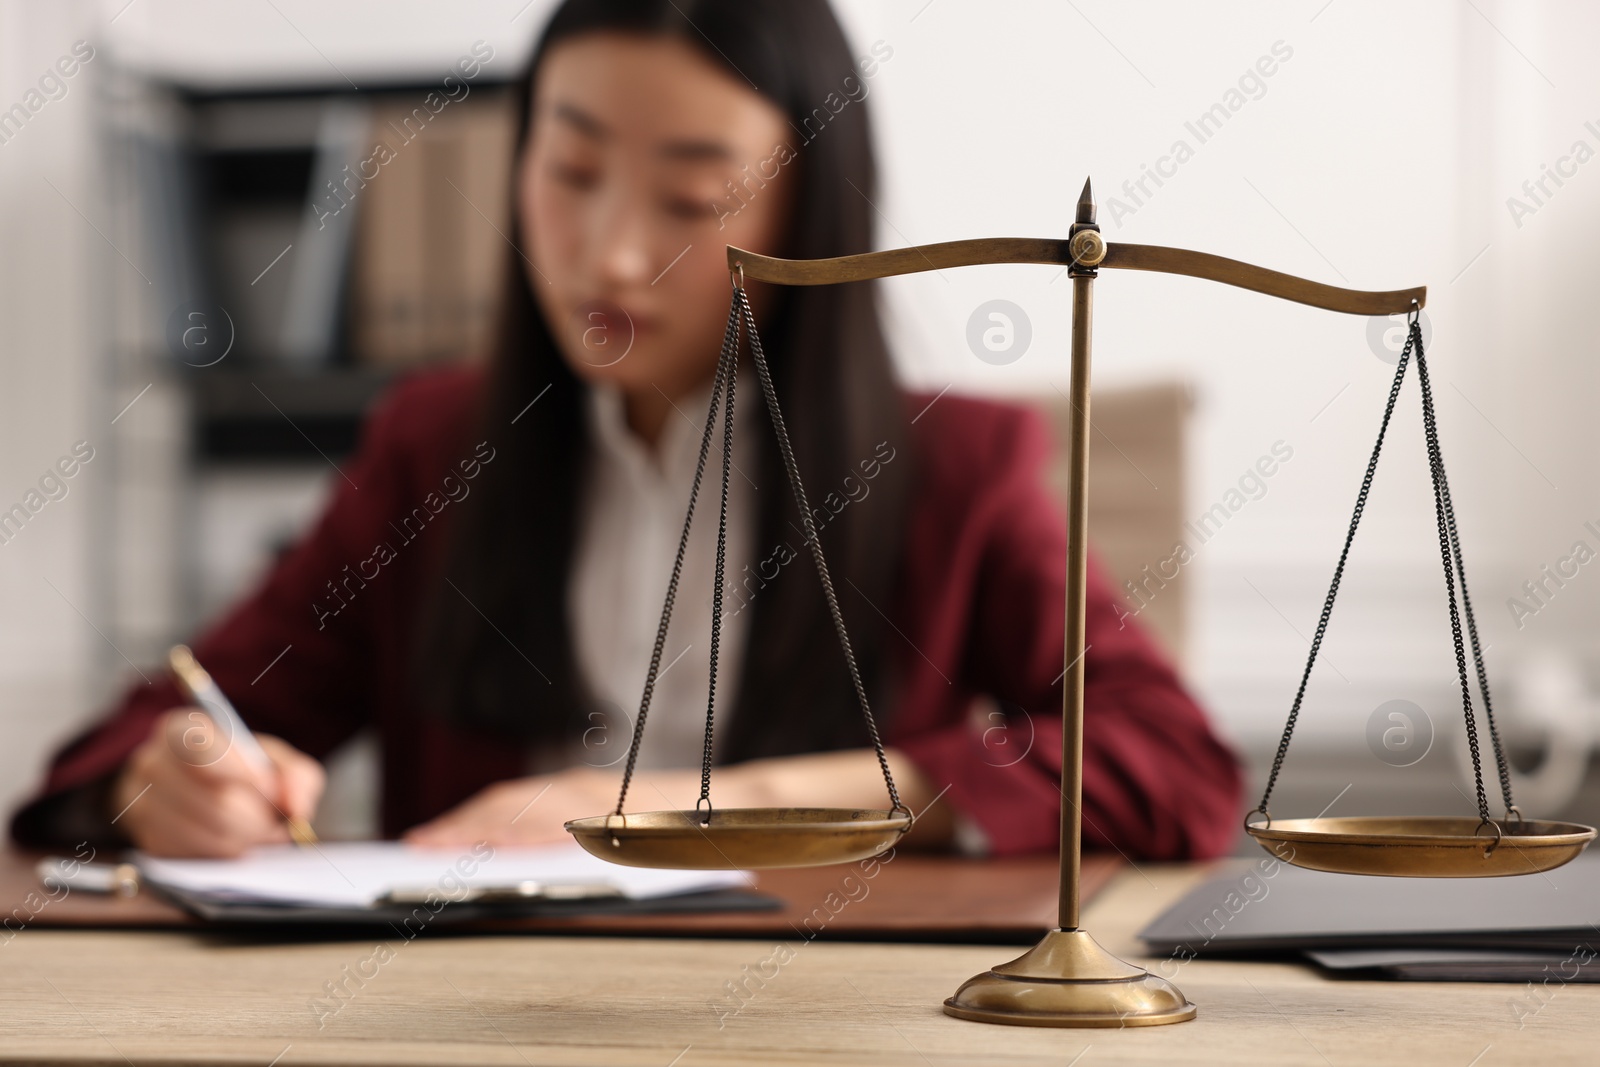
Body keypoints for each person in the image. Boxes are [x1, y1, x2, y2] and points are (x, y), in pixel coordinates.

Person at [10, 0, 1240, 860]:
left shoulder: (949, 468)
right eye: (570, 166)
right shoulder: (433, 449)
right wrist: (166, 775)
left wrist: (707, 806)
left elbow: (1169, 762)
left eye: (692, 196)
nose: (606, 252)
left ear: (815, 210)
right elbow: (164, 719)